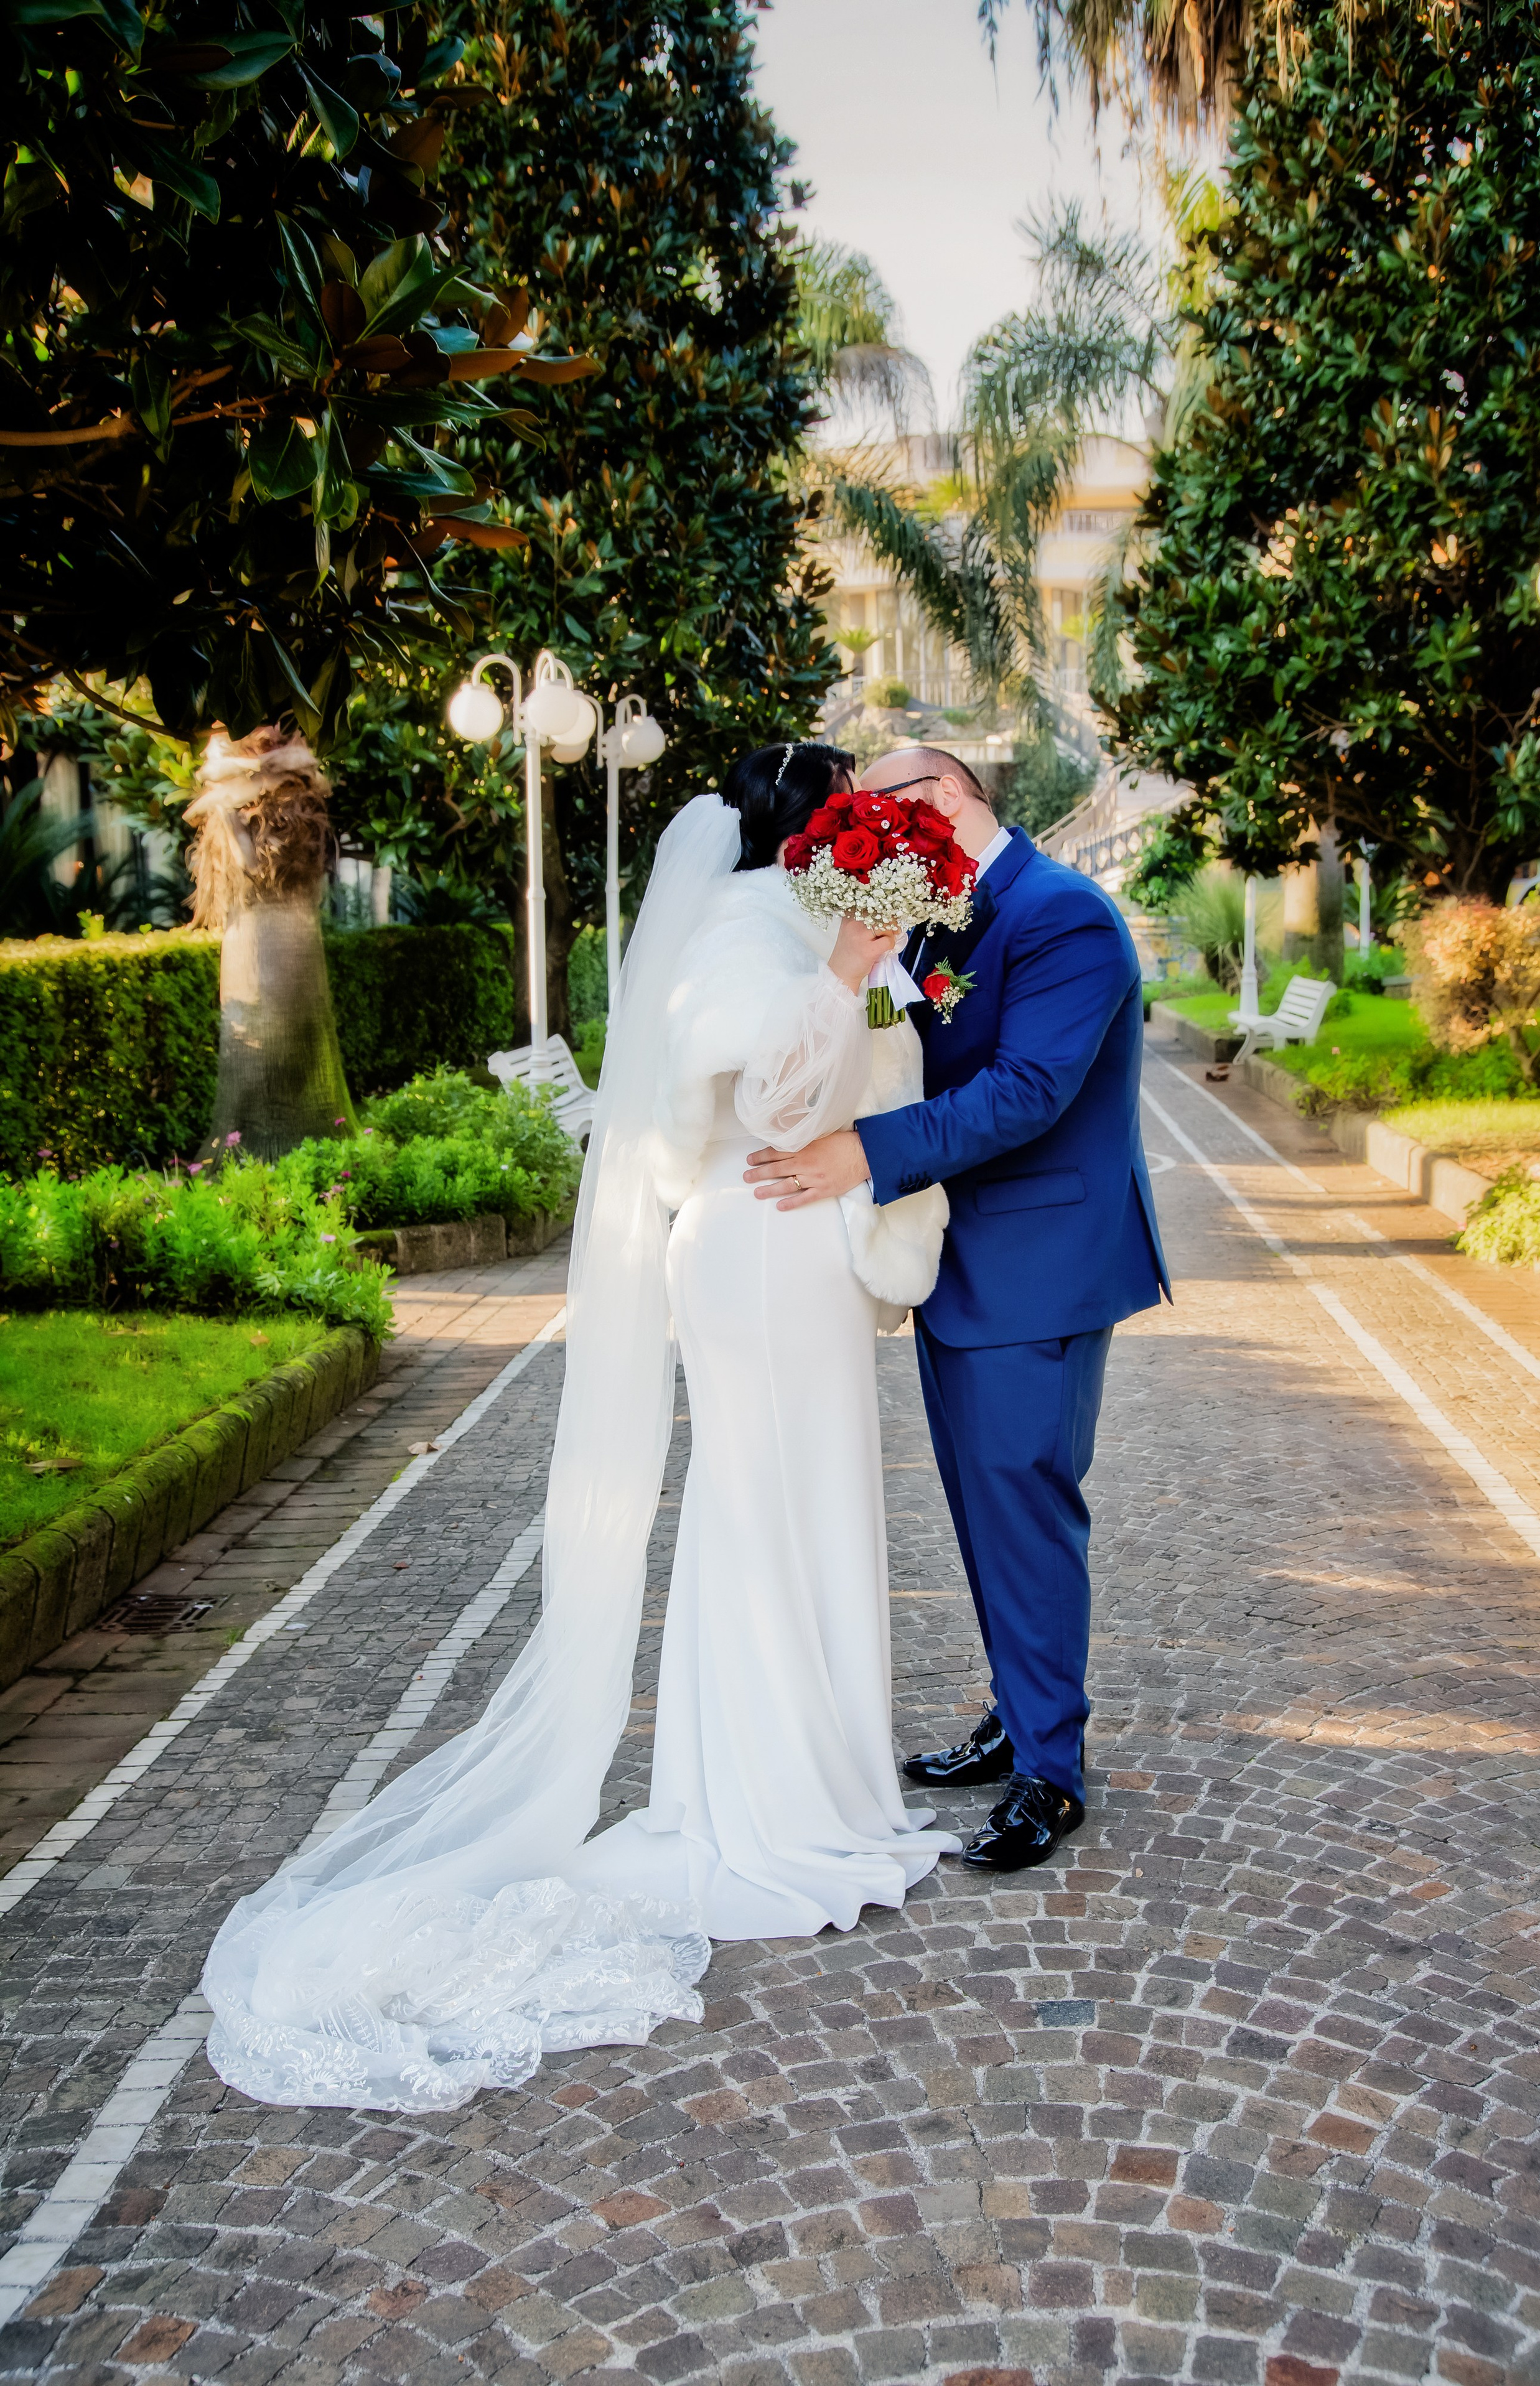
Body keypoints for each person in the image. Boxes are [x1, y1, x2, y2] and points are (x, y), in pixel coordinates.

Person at [201, 743, 958, 2115]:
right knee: (765, 1513)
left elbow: (846, 1092)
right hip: (758, 1250)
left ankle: (814, 1778)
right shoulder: (745, 939)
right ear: (816, 829)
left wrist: (865, 991)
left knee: (785, 1515)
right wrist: (850, 977)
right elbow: (777, 1102)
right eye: (859, 813)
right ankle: (777, 1807)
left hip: (789, 1254)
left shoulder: (784, 927)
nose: (877, 836)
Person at [744, 747, 1169, 1873]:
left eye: (883, 807)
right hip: (962, 1263)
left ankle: (1051, 1775)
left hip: (1042, 1263)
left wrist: (861, 1155)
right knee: (985, 1513)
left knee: (1025, 1512)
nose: (870, 831)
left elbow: (1026, 1091)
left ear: (946, 797)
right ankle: (1017, 1713)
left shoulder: (1064, 915)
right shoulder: (934, 924)